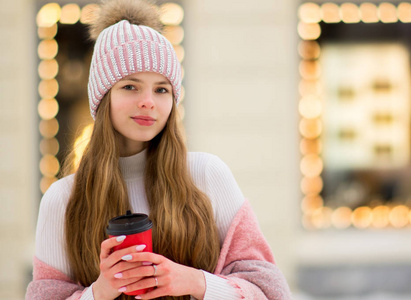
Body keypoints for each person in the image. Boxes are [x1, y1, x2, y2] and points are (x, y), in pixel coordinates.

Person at [26, 0, 291, 299]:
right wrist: (100, 291)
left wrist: (196, 282)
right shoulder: (63, 200)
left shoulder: (206, 175)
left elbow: (271, 292)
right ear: (103, 98)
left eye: (162, 89)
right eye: (130, 86)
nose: (148, 101)